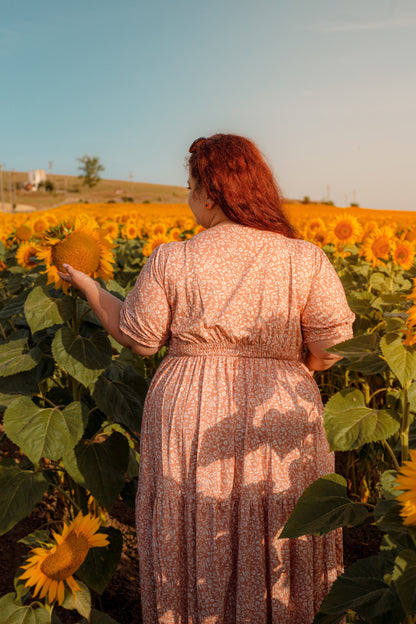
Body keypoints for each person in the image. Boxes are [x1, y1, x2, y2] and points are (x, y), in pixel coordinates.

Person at [58, 133, 355, 624]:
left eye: (191, 184)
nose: (188, 195)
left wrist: (90, 286)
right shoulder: (305, 258)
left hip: (190, 408)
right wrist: (287, 366)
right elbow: (329, 351)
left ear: (212, 192)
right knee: (283, 517)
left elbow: (140, 339)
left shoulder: (173, 258)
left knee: (196, 517)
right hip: (279, 405)